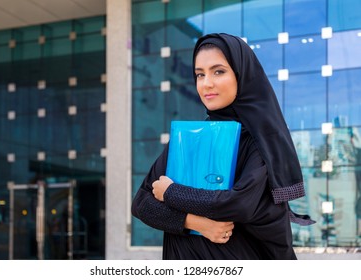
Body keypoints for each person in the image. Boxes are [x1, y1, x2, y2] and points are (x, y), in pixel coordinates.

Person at [131, 33, 314, 260]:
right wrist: (195, 222)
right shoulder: (189, 138)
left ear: (241, 74)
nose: (206, 83)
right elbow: (141, 204)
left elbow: (238, 204)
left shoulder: (262, 140)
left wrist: (171, 192)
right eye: (200, 74)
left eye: (218, 71)